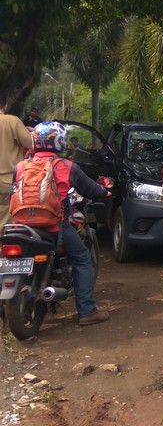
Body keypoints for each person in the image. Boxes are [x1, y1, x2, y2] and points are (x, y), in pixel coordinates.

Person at [15, 121, 111, 327]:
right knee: (82, 260)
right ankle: (87, 311)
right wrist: (105, 192)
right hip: (55, 225)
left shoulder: (21, 166)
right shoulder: (67, 166)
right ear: (60, 142)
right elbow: (90, 189)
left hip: (22, 225)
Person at [0, 92, 34, 230]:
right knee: (4, 221)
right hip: (7, 181)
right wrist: (29, 132)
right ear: (5, 105)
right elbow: (30, 143)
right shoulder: (12, 121)